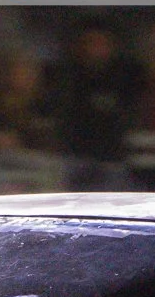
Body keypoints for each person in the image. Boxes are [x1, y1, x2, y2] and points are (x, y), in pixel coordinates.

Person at [48, 20, 143, 189]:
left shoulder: (126, 79)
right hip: (70, 159)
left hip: (112, 161)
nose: (94, 49)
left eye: (100, 43)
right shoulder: (64, 80)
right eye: (89, 43)